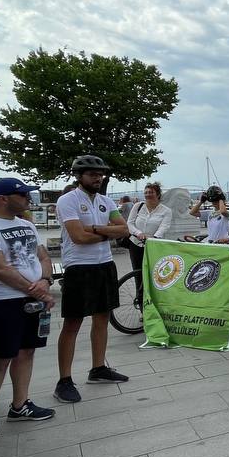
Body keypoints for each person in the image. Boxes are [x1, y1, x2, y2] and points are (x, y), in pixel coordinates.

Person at [0, 178, 57, 440]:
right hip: (3, 301)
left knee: (26, 352)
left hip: (33, 299)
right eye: (22, 195)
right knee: (0, 356)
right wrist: (38, 290)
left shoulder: (27, 224)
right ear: (2, 198)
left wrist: (45, 280)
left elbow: (43, 256)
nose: (28, 199)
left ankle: (20, 404)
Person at [53, 155, 130, 404]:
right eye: (92, 174)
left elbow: (124, 229)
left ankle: (98, 368)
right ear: (79, 176)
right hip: (79, 266)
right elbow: (78, 238)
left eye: (100, 174)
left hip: (104, 264)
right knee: (72, 323)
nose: (98, 178)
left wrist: (94, 229)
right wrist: (108, 232)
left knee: (102, 318)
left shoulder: (106, 201)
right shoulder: (68, 200)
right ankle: (64, 380)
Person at [125, 182, 172, 305]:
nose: (148, 195)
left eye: (151, 192)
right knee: (138, 274)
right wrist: (138, 233)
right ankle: (141, 303)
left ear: (158, 194)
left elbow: (164, 227)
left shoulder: (166, 211)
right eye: (146, 192)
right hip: (136, 244)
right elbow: (130, 223)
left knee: (154, 274)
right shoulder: (138, 206)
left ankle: (154, 302)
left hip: (153, 245)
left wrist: (154, 237)